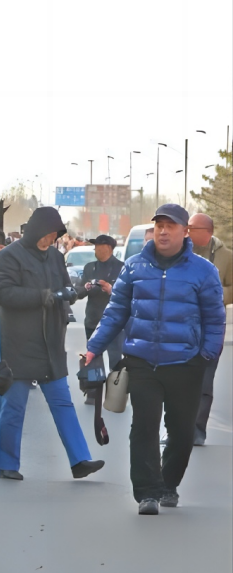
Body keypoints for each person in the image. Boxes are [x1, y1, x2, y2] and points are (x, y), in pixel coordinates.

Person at [84, 204, 225, 514]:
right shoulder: (134, 267)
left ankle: (169, 484)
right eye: (159, 225)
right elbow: (116, 312)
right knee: (144, 426)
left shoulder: (203, 271)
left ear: (184, 231)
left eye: (170, 226)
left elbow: (215, 320)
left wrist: (206, 355)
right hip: (142, 360)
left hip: (185, 363)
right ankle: (147, 492)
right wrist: (94, 346)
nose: (163, 230)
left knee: (182, 431)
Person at [0, 206, 104, 482]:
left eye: (54, 235)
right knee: (14, 407)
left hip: (51, 342)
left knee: (63, 402)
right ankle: (6, 462)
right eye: (46, 234)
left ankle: (80, 460)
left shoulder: (54, 256)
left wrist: (71, 293)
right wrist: (43, 296)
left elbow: (63, 287)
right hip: (18, 342)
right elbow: (2, 294)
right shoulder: (8, 256)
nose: (49, 240)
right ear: (34, 231)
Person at [188, 212, 231, 445]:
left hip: (211, 327)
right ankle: (175, 430)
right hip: (183, 326)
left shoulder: (226, 257)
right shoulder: (181, 253)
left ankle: (197, 431)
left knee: (205, 381)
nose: (189, 232)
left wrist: (215, 294)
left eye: (194, 228)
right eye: (188, 228)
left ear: (209, 232)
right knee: (178, 380)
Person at [80, 235, 125, 384]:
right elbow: (78, 292)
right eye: (95, 247)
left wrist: (110, 290)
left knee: (115, 359)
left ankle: (115, 392)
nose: (96, 250)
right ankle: (93, 390)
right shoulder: (89, 267)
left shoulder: (121, 267)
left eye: (99, 247)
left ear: (108, 248)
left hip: (114, 323)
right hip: (93, 321)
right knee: (93, 358)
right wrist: (85, 288)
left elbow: (128, 295)